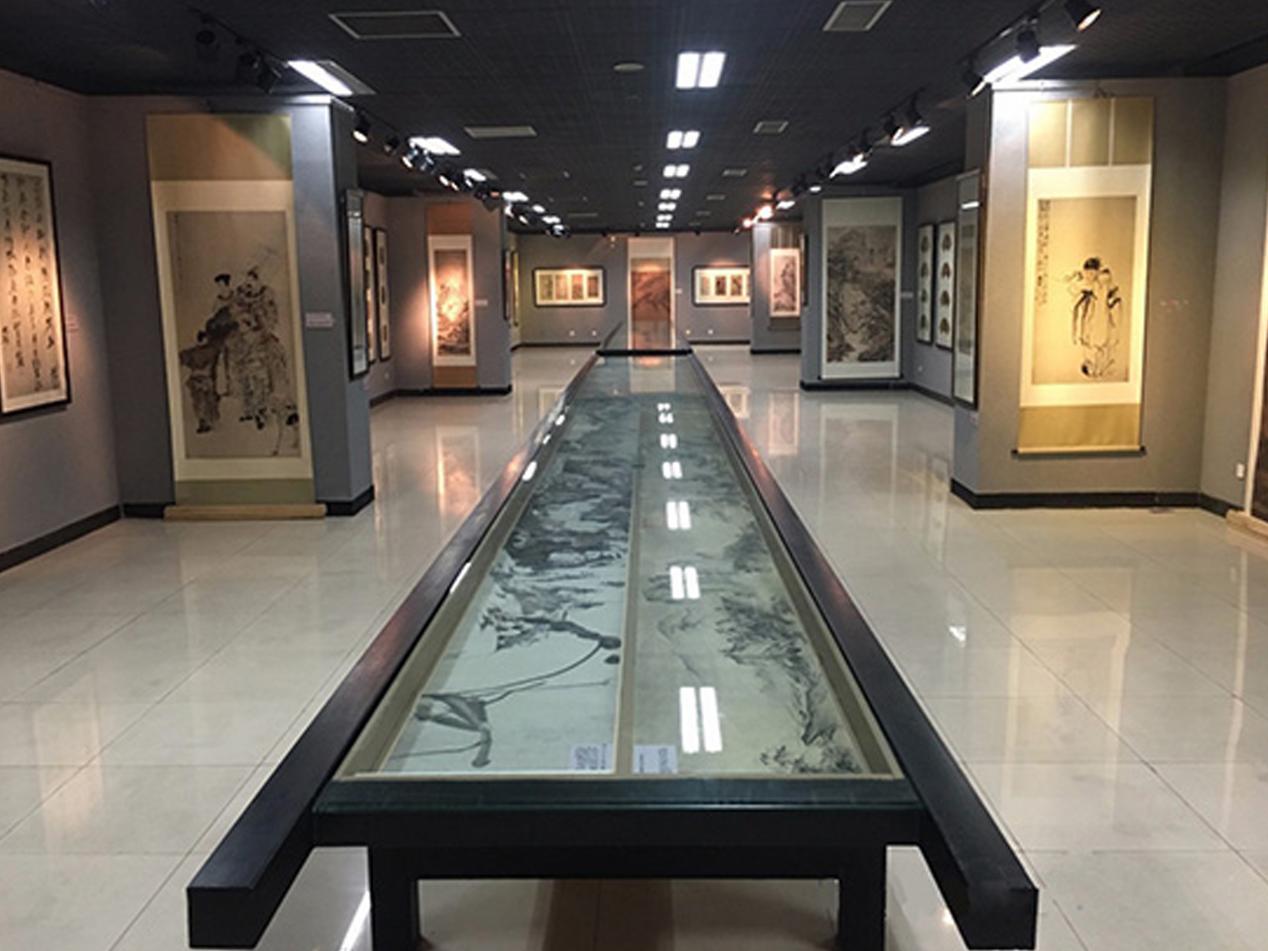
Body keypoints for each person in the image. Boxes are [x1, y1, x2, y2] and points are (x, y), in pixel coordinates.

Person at [1067, 257, 1122, 378]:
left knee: (1097, 344)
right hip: (1096, 318)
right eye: (1087, 273)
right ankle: (1097, 369)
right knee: (1096, 345)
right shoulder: (1100, 284)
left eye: (1090, 273)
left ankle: (1099, 369)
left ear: (1096, 271)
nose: (1088, 276)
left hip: (1098, 319)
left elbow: (1074, 288)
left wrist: (1076, 277)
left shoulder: (1099, 284)